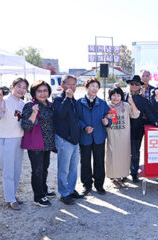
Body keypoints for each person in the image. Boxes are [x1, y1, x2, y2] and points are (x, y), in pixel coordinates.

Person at [0, 78, 29, 211]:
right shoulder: (5, 101)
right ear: (12, 87)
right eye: (18, 86)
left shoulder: (23, 104)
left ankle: (13, 194)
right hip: (6, 139)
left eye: (24, 87)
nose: (21, 89)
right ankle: (10, 199)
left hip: (19, 139)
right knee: (8, 170)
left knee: (17, 170)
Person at [21, 80, 56, 207]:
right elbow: (25, 126)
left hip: (47, 143)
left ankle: (44, 191)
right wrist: (34, 113)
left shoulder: (50, 105)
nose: (42, 93)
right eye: (39, 91)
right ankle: (38, 197)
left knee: (44, 168)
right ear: (34, 93)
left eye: (45, 91)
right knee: (37, 170)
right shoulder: (29, 106)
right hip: (35, 143)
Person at [76, 77, 111, 196]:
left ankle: (99, 185)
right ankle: (87, 185)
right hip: (85, 137)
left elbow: (111, 115)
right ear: (86, 87)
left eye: (96, 86)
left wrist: (108, 121)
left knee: (99, 161)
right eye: (92, 86)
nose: (94, 89)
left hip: (99, 136)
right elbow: (76, 119)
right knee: (85, 162)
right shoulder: (79, 102)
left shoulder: (102, 103)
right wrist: (84, 127)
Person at [53, 75, 83, 205]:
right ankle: (64, 193)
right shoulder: (58, 99)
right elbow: (60, 115)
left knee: (74, 168)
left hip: (75, 140)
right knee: (63, 168)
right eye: (68, 84)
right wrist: (67, 98)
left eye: (74, 85)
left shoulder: (74, 100)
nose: (71, 87)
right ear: (62, 85)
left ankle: (71, 190)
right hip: (64, 139)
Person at [124, 75, 157, 183]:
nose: (134, 86)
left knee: (135, 152)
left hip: (137, 129)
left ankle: (134, 173)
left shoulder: (143, 100)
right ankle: (122, 173)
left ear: (140, 86)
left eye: (137, 84)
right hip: (122, 129)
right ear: (129, 84)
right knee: (122, 152)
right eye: (132, 83)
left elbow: (150, 113)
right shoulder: (122, 96)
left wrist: (156, 122)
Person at [106, 87, 140, 188]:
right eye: (113, 95)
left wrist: (132, 103)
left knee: (123, 157)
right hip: (112, 135)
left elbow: (136, 115)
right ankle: (113, 178)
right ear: (110, 96)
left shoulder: (126, 105)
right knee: (112, 157)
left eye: (118, 95)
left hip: (124, 136)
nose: (116, 98)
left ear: (121, 96)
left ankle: (120, 177)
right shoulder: (107, 106)